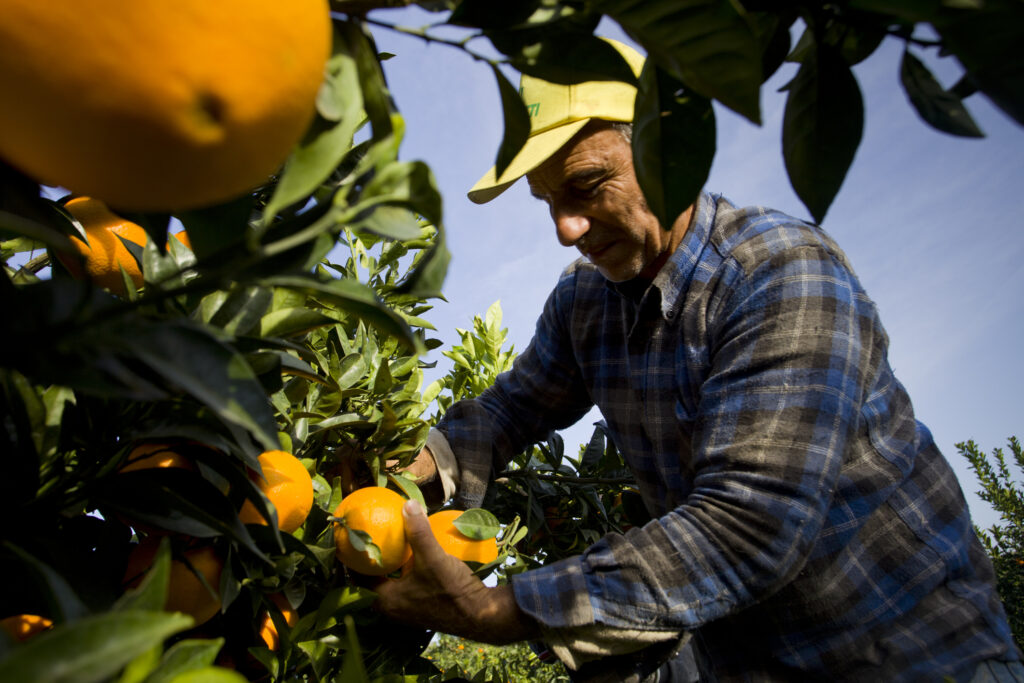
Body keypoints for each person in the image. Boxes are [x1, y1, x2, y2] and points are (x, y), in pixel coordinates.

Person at [375, 39, 1023, 682]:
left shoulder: (781, 274)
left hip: (916, 656)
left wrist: (495, 608)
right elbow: (510, 410)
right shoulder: (585, 302)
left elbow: (751, 524)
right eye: (548, 202)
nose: (565, 228)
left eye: (586, 186)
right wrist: (409, 474)